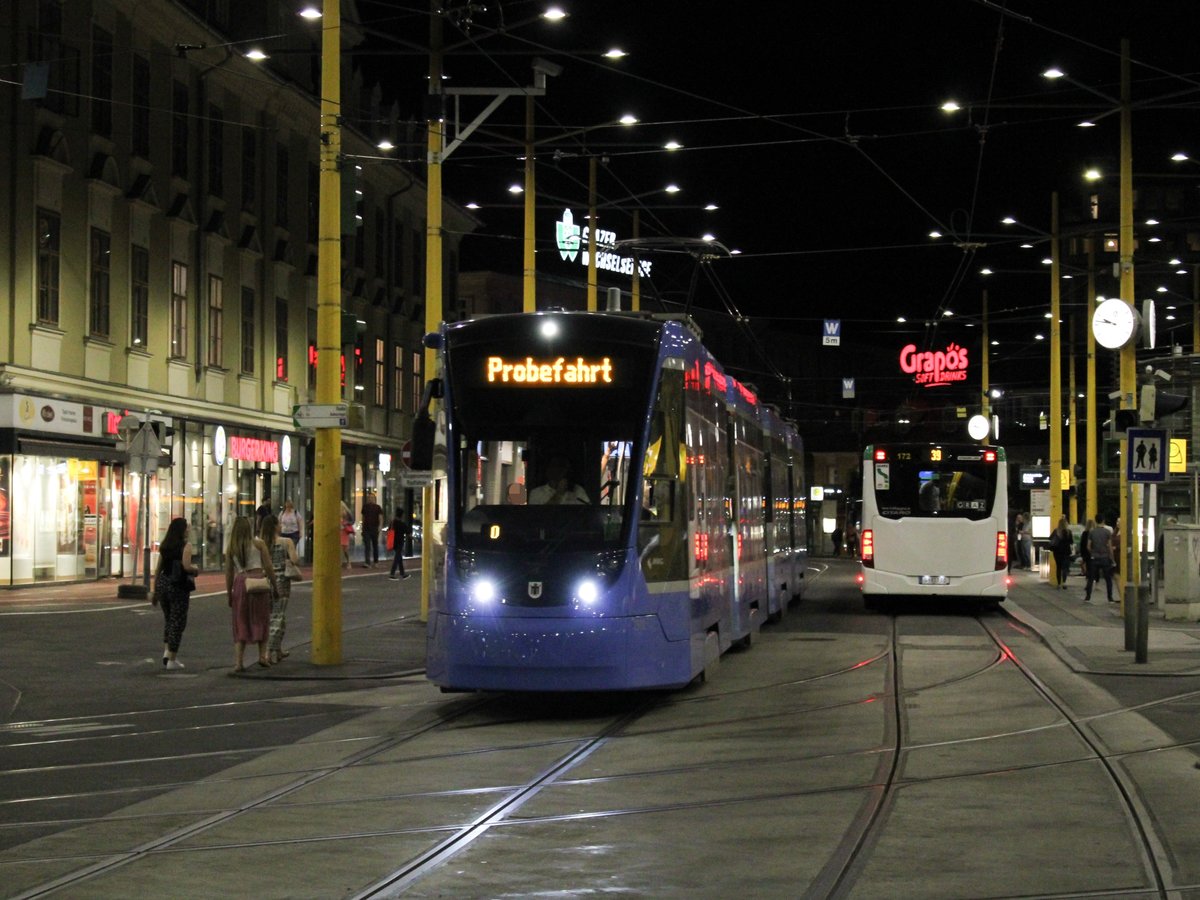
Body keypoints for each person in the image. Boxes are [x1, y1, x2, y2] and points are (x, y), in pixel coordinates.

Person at [225, 516, 277, 672]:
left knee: (240, 620)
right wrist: (275, 586)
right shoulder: (259, 544)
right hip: (258, 582)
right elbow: (268, 567)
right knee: (261, 617)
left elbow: (228, 573)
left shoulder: (231, 548)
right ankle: (262, 656)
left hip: (241, 583)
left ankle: (239, 662)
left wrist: (229, 593)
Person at [153, 517, 198, 670]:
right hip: (178, 585)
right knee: (178, 621)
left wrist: (155, 589)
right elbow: (186, 566)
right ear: (182, 530)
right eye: (187, 527)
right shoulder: (186, 546)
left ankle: (167, 652)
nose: (188, 529)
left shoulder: (165, 546)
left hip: (163, 583)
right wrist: (195, 569)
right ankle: (172, 658)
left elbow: (158, 568)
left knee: (169, 619)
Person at [259, 513, 299, 664]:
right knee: (278, 616)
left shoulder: (261, 543)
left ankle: (279, 650)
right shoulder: (286, 541)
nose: (281, 526)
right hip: (281, 581)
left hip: (264, 581)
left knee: (271, 615)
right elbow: (294, 559)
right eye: (280, 524)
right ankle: (269, 651)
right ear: (276, 526)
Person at [1085, 513, 1115, 604]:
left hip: (1094, 558)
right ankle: (1110, 598)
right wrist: (1112, 559)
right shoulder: (1107, 532)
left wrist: (1092, 553)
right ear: (1103, 520)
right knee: (1108, 579)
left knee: (1091, 578)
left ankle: (1088, 596)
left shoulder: (1092, 532)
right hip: (1105, 557)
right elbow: (1110, 547)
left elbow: (1088, 546)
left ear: (1096, 520)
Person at [360, 490, 384, 567]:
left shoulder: (378, 507)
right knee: (367, 546)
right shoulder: (365, 507)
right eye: (369, 497)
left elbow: (380, 518)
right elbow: (363, 518)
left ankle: (376, 561)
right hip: (366, 529)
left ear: (374, 499)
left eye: (372, 497)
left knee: (375, 545)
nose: (371, 499)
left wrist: (380, 527)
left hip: (374, 528)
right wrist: (362, 528)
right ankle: (367, 562)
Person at [1048, 516, 1072, 590]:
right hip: (1066, 552)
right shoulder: (1068, 532)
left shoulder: (1056, 531)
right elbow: (1071, 542)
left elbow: (1050, 539)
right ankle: (1064, 583)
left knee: (1058, 567)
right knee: (1065, 568)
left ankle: (1058, 584)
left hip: (1057, 551)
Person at [388, 506, 410, 580]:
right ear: (402, 515)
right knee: (397, 558)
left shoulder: (392, 523)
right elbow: (408, 533)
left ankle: (402, 573)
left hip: (393, 542)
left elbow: (388, 531)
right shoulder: (402, 524)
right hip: (399, 542)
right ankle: (392, 573)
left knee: (399, 558)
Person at [1078, 517, 1094, 589]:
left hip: (1085, 553)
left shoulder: (1084, 533)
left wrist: (1082, 553)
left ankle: (1088, 581)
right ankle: (1092, 582)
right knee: (1092, 568)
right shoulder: (1094, 533)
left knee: (1087, 567)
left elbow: (1082, 544)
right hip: (1093, 553)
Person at [340, 500, 354, 568]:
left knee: (345, 548)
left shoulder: (346, 512)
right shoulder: (335, 511)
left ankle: (348, 561)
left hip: (344, 531)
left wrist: (346, 523)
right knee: (339, 547)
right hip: (338, 530)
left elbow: (352, 521)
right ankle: (340, 562)